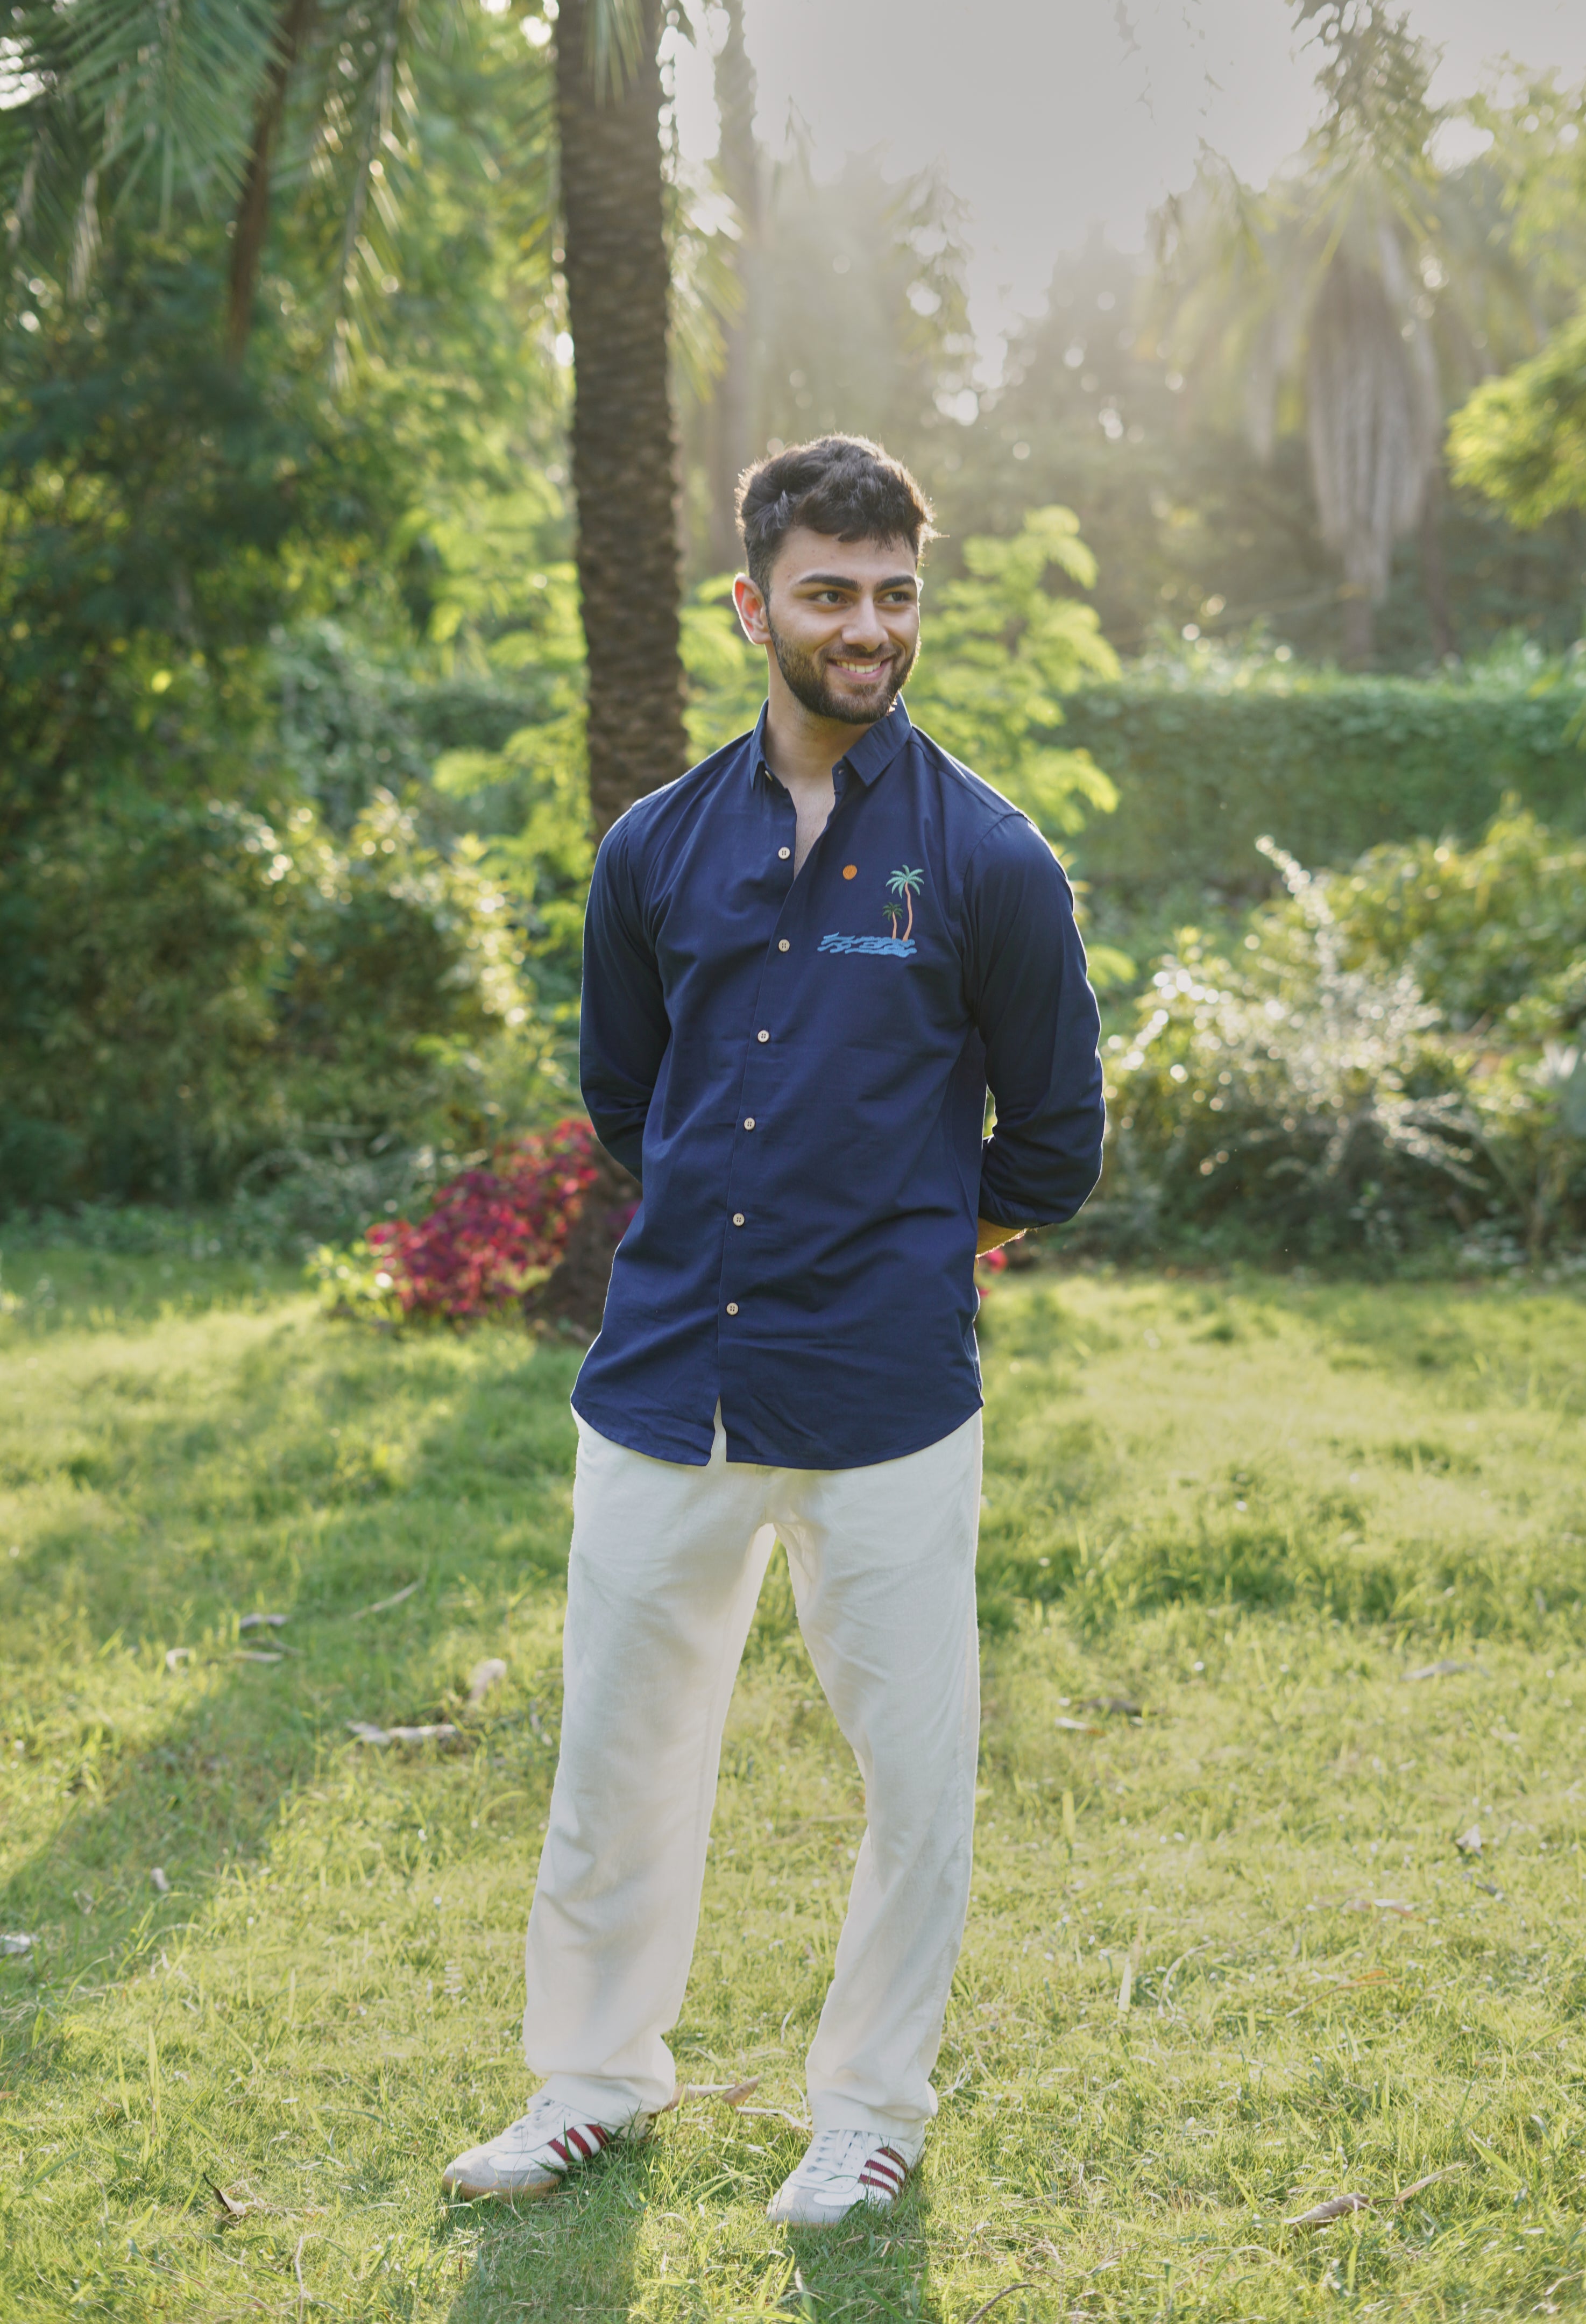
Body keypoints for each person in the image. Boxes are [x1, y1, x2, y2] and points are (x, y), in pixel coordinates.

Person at [443, 433, 1106, 2223]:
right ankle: (589, 2081)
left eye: (895, 593)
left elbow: (1054, 1137)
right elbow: (625, 1099)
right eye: (831, 592)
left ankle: (869, 2110)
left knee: (914, 1781)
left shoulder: (990, 861)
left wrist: (911, 1246)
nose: (869, 626)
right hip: (664, 1384)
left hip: (889, 1399)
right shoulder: (653, 848)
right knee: (617, 1761)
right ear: (756, 605)